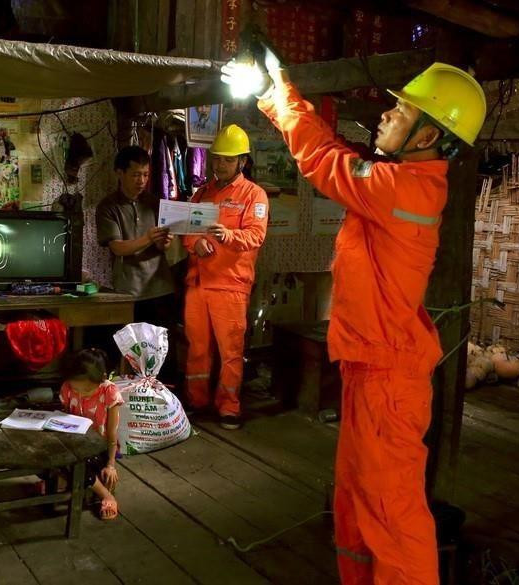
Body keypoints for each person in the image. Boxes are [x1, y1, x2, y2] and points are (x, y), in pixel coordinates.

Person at [227, 56, 486, 584]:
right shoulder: (401, 183)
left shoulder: (407, 189)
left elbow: (325, 159)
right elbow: (338, 156)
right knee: (356, 506)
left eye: (400, 110)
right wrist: (280, 93)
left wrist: (280, 93)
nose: (386, 116)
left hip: (387, 379)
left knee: (391, 518)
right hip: (373, 371)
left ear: (428, 134)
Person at [182, 124, 269, 431]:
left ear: (242, 162)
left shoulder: (254, 195)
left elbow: (255, 236)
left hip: (230, 285)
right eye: (216, 158)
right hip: (197, 283)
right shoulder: (201, 193)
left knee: (230, 351)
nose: (220, 164)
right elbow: (188, 231)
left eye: (227, 160)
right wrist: (197, 243)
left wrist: (228, 235)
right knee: (197, 348)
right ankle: (196, 401)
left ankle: (229, 406)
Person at [95, 146, 176, 368]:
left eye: (146, 174)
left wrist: (163, 243)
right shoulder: (108, 207)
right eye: (135, 174)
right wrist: (149, 238)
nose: (141, 180)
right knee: (130, 353)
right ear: (119, 173)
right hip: (129, 290)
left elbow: (162, 246)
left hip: (160, 287)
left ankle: (160, 397)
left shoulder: (155, 203)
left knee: (159, 354)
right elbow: (118, 248)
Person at [59, 349, 123, 520]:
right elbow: (65, 418)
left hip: (99, 448)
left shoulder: (109, 392)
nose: (80, 394)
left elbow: (111, 433)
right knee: (55, 457)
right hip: (73, 443)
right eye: (75, 389)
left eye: (86, 390)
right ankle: (67, 480)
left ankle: (105, 495)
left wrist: (110, 464)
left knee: (79, 465)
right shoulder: (66, 388)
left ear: (101, 379)